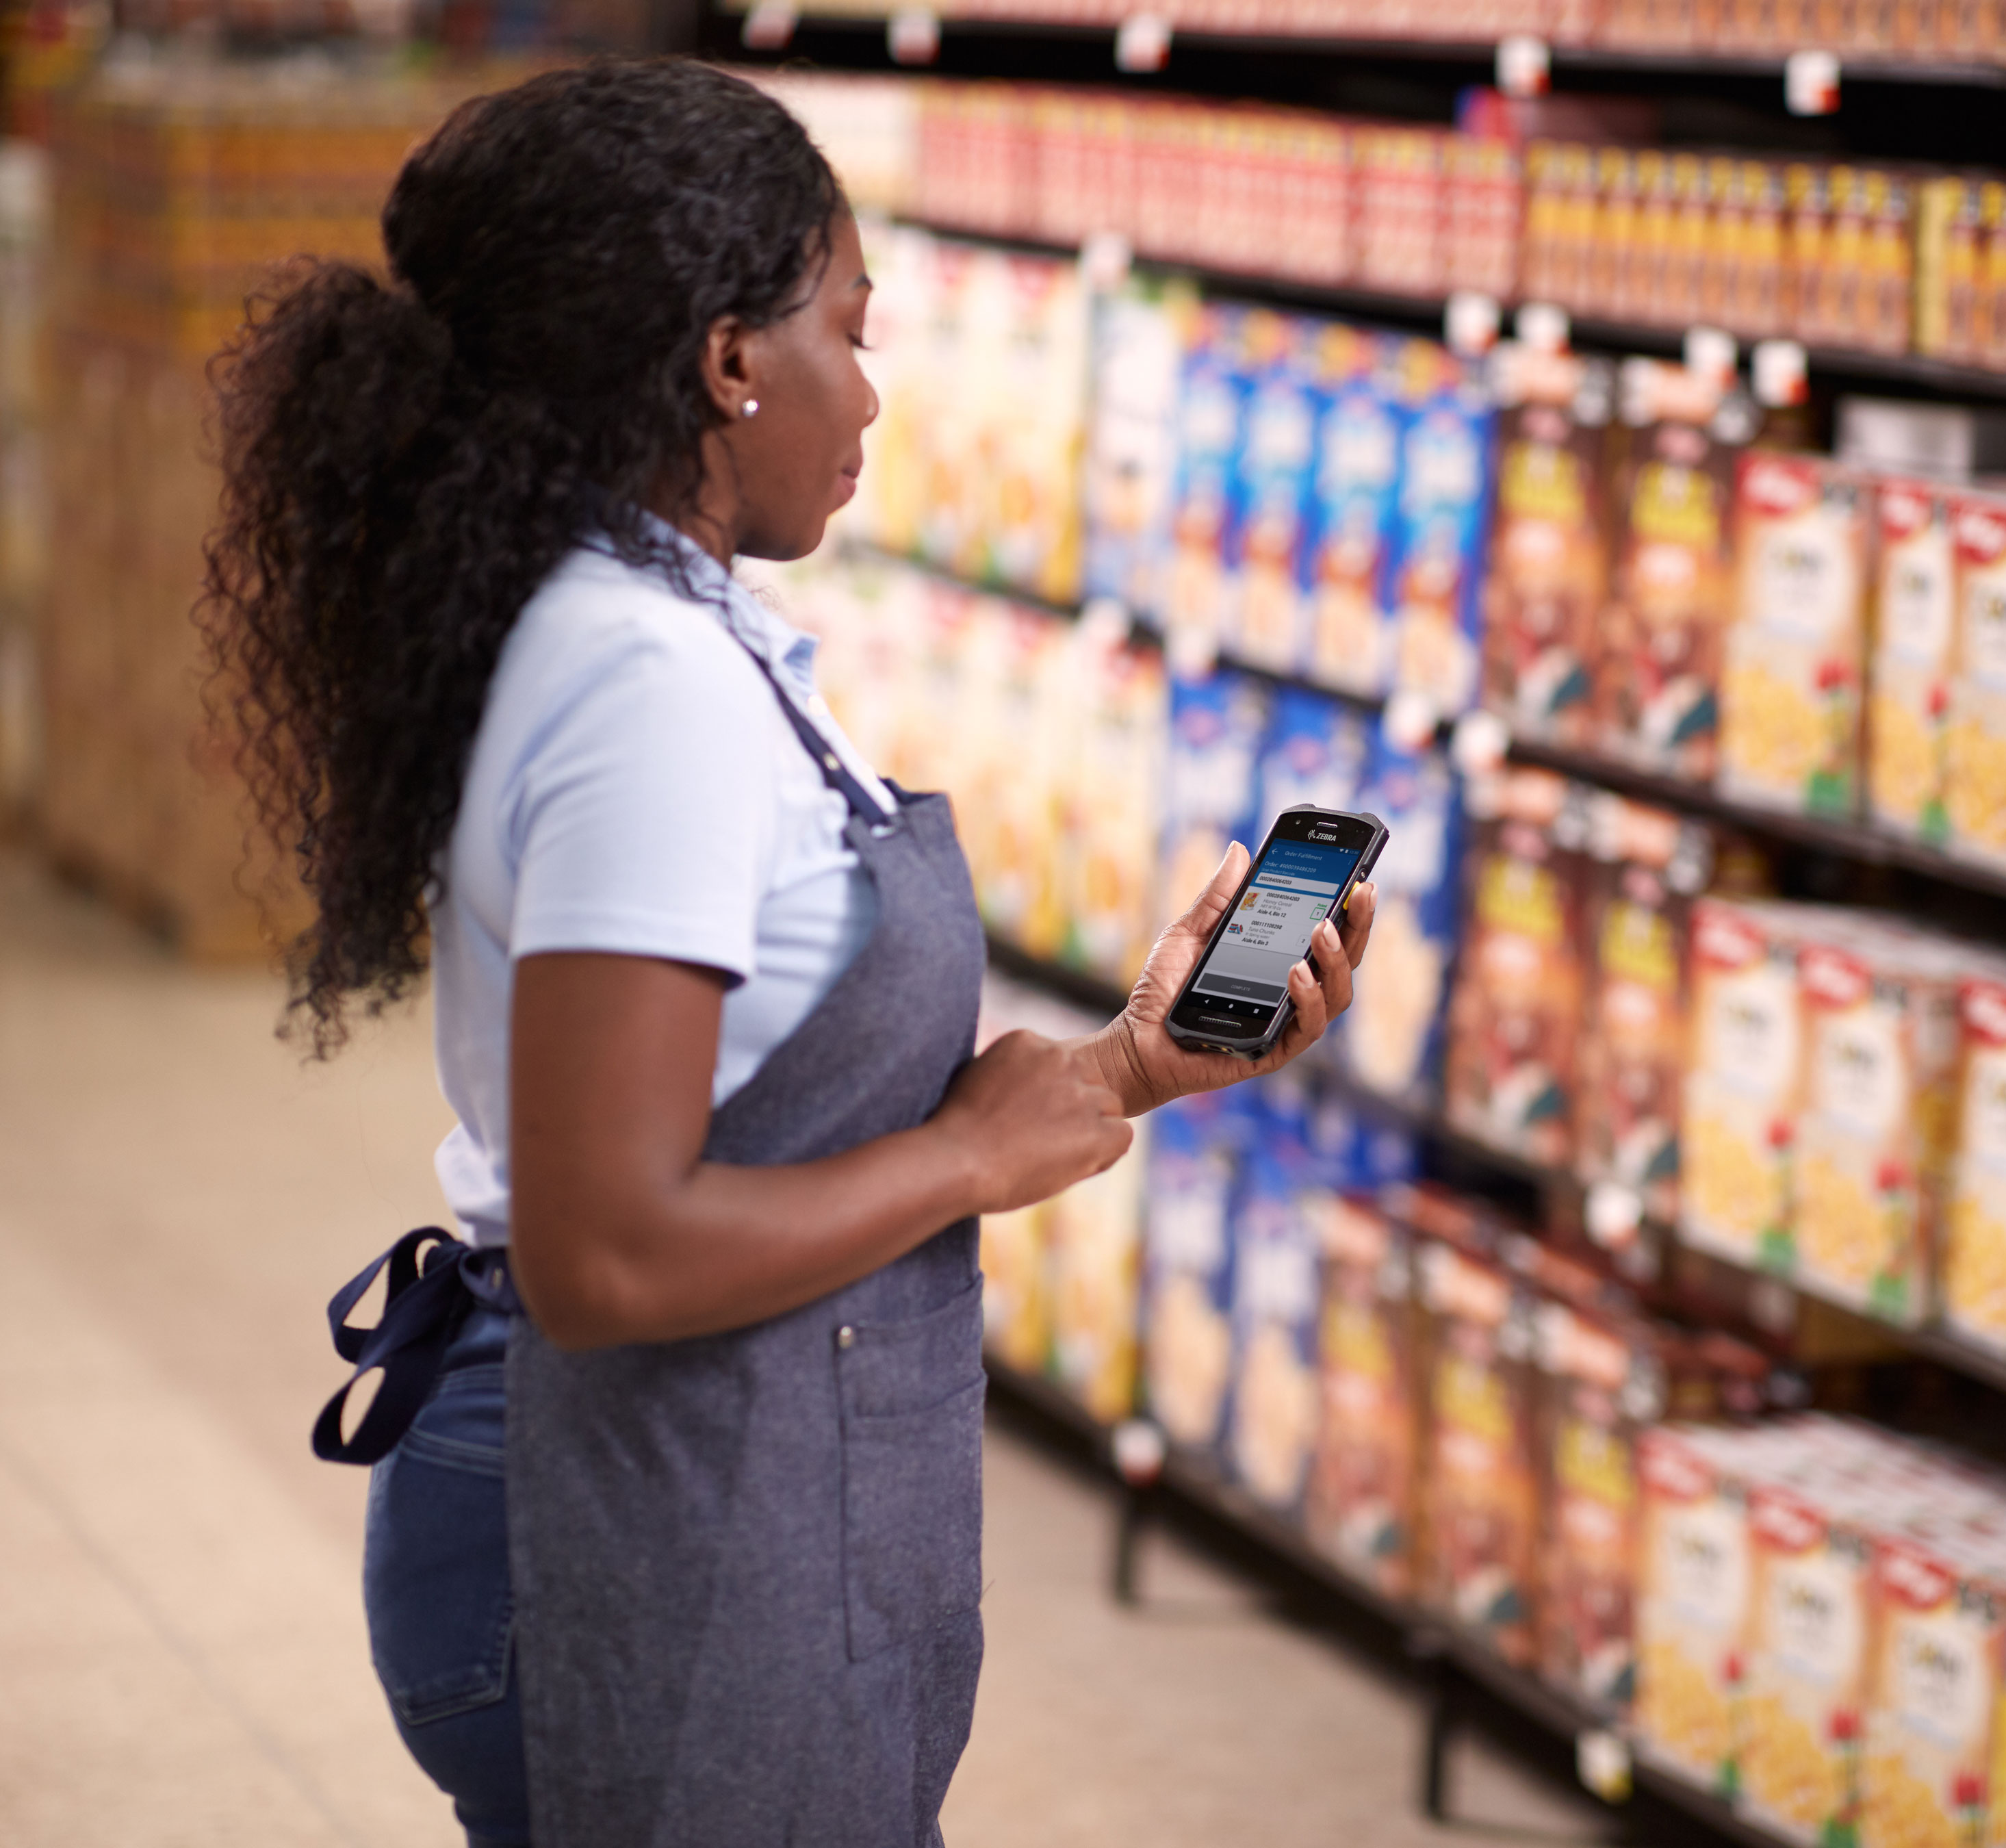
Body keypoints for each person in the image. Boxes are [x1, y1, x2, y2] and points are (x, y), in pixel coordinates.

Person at [200, 59, 1374, 1848]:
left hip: (694, 1486)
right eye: (850, 326)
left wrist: (1128, 1064)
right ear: (728, 360)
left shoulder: (661, 626)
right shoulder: (641, 683)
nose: (876, 390)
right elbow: (607, 1248)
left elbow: (758, 1086)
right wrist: (972, 1152)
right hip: (625, 1510)